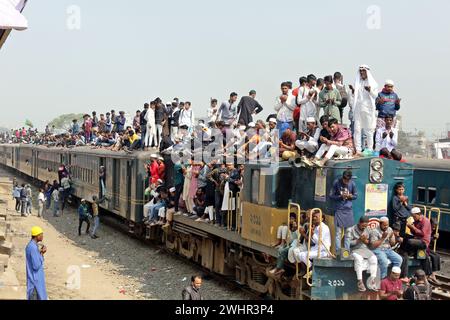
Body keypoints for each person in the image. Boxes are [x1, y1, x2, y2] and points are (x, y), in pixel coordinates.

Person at [350, 65, 379, 153]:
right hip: (358, 108)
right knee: (357, 129)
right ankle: (358, 150)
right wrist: (353, 91)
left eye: (363, 71)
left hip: (368, 109)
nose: (362, 72)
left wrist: (370, 90)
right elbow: (355, 97)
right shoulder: (357, 83)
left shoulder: (373, 83)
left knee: (369, 130)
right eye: (360, 71)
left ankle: (370, 149)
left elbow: (375, 96)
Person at [398, 207, 432, 280]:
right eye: (412, 216)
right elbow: (414, 233)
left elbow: (422, 233)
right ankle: (405, 252)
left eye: (414, 216)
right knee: (405, 237)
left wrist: (412, 227)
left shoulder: (425, 221)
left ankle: (403, 250)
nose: (413, 218)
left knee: (409, 241)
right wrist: (410, 228)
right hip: (416, 240)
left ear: (419, 214)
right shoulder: (415, 221)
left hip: (423, 242)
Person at [328, 170, 357, 255]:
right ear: (343, 178)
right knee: (338, 233)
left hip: (348, 210)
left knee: (348, 233)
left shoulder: (352, 184)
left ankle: (346, 252)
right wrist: (340, 196)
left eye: (348, 180)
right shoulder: (336, 182)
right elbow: (331, 195)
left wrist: (350, 196)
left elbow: (356, 195)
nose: (346, 182)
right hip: (339, 209)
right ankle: (337, 252)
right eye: (345, 180)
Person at [347, 216, 378, 292]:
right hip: (354, 249)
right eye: (363, 225)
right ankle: (360, 282)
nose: (364, 227)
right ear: (359, 223)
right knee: (359, 259)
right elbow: (348, 244)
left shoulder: (368, 229)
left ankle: (372, 280)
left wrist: (366, 241)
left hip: (365, 249)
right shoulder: (350, 229)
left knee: (374, 258)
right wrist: (358, 240)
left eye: (366, 226)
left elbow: (371, 243)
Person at [26, 226, 48, 300]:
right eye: (41, 234)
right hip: (35, 282)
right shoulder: (33, 247)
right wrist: (41, 254)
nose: (42, 236)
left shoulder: (32, 246)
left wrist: (40, 252)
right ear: (37, 236)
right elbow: (36, 265)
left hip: (35, 280)